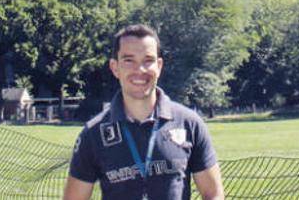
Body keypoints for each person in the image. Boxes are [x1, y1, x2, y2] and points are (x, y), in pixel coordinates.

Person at [63, 24, 224, 200]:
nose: (139, 70)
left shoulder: (189, 124)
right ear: (115, 67)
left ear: (159, 66)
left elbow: (213, 194)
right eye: (129, 60)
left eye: (148, 60)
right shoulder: (93, 134)